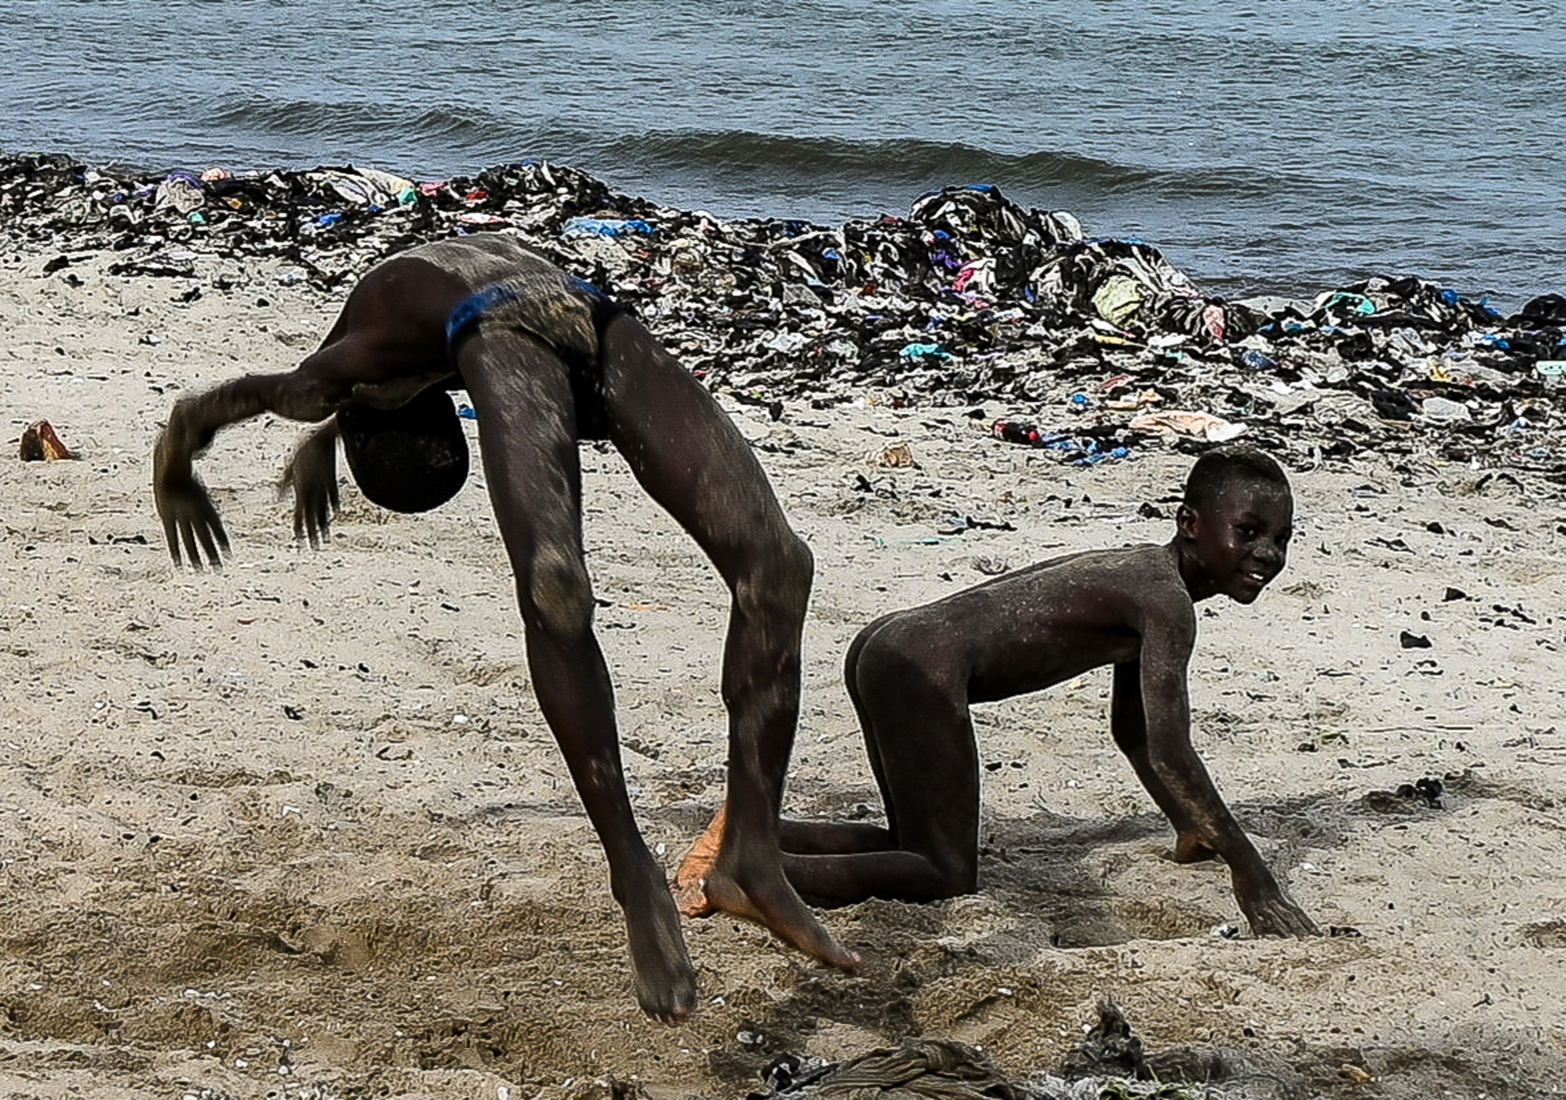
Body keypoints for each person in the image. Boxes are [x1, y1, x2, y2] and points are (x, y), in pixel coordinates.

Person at [151, 234, 859, 1023]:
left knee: (771, 567)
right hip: (579, 315)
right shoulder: (367, 381)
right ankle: (635, 869)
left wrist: (178, 474)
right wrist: (314, 453)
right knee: (582, 585)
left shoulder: (324, 384)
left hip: (527, 323)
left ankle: (751, 857)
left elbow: (202, 411)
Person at [675, 446, 1318, 938]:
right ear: (1190, 523)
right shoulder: (1167, 603)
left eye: (1281, 539)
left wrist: (1190, 826)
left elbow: (1136, 731)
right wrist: (1251, 872)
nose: (1267, 553)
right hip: (923, 668)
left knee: (911, 841)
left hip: (894, 646)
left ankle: (754, 832)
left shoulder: (1146, 579)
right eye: (1249, 531)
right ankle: (750, 876)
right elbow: (1173, 749)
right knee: (945, 873)